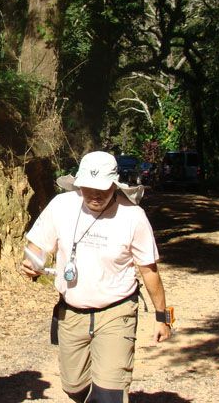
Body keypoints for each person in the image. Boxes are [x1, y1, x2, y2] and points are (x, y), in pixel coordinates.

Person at [21, 151, 172, 403]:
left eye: (102, 187)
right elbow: (37, 246)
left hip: (116, 312)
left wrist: (163, 317)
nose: (95, 194)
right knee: (75, 387)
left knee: (108, 396)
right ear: (79, 184)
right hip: (71, 313)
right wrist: (31, 263)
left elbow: (149, 270)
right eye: (89, 188)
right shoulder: (62, 206)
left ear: (115, 184)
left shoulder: (133, 217)